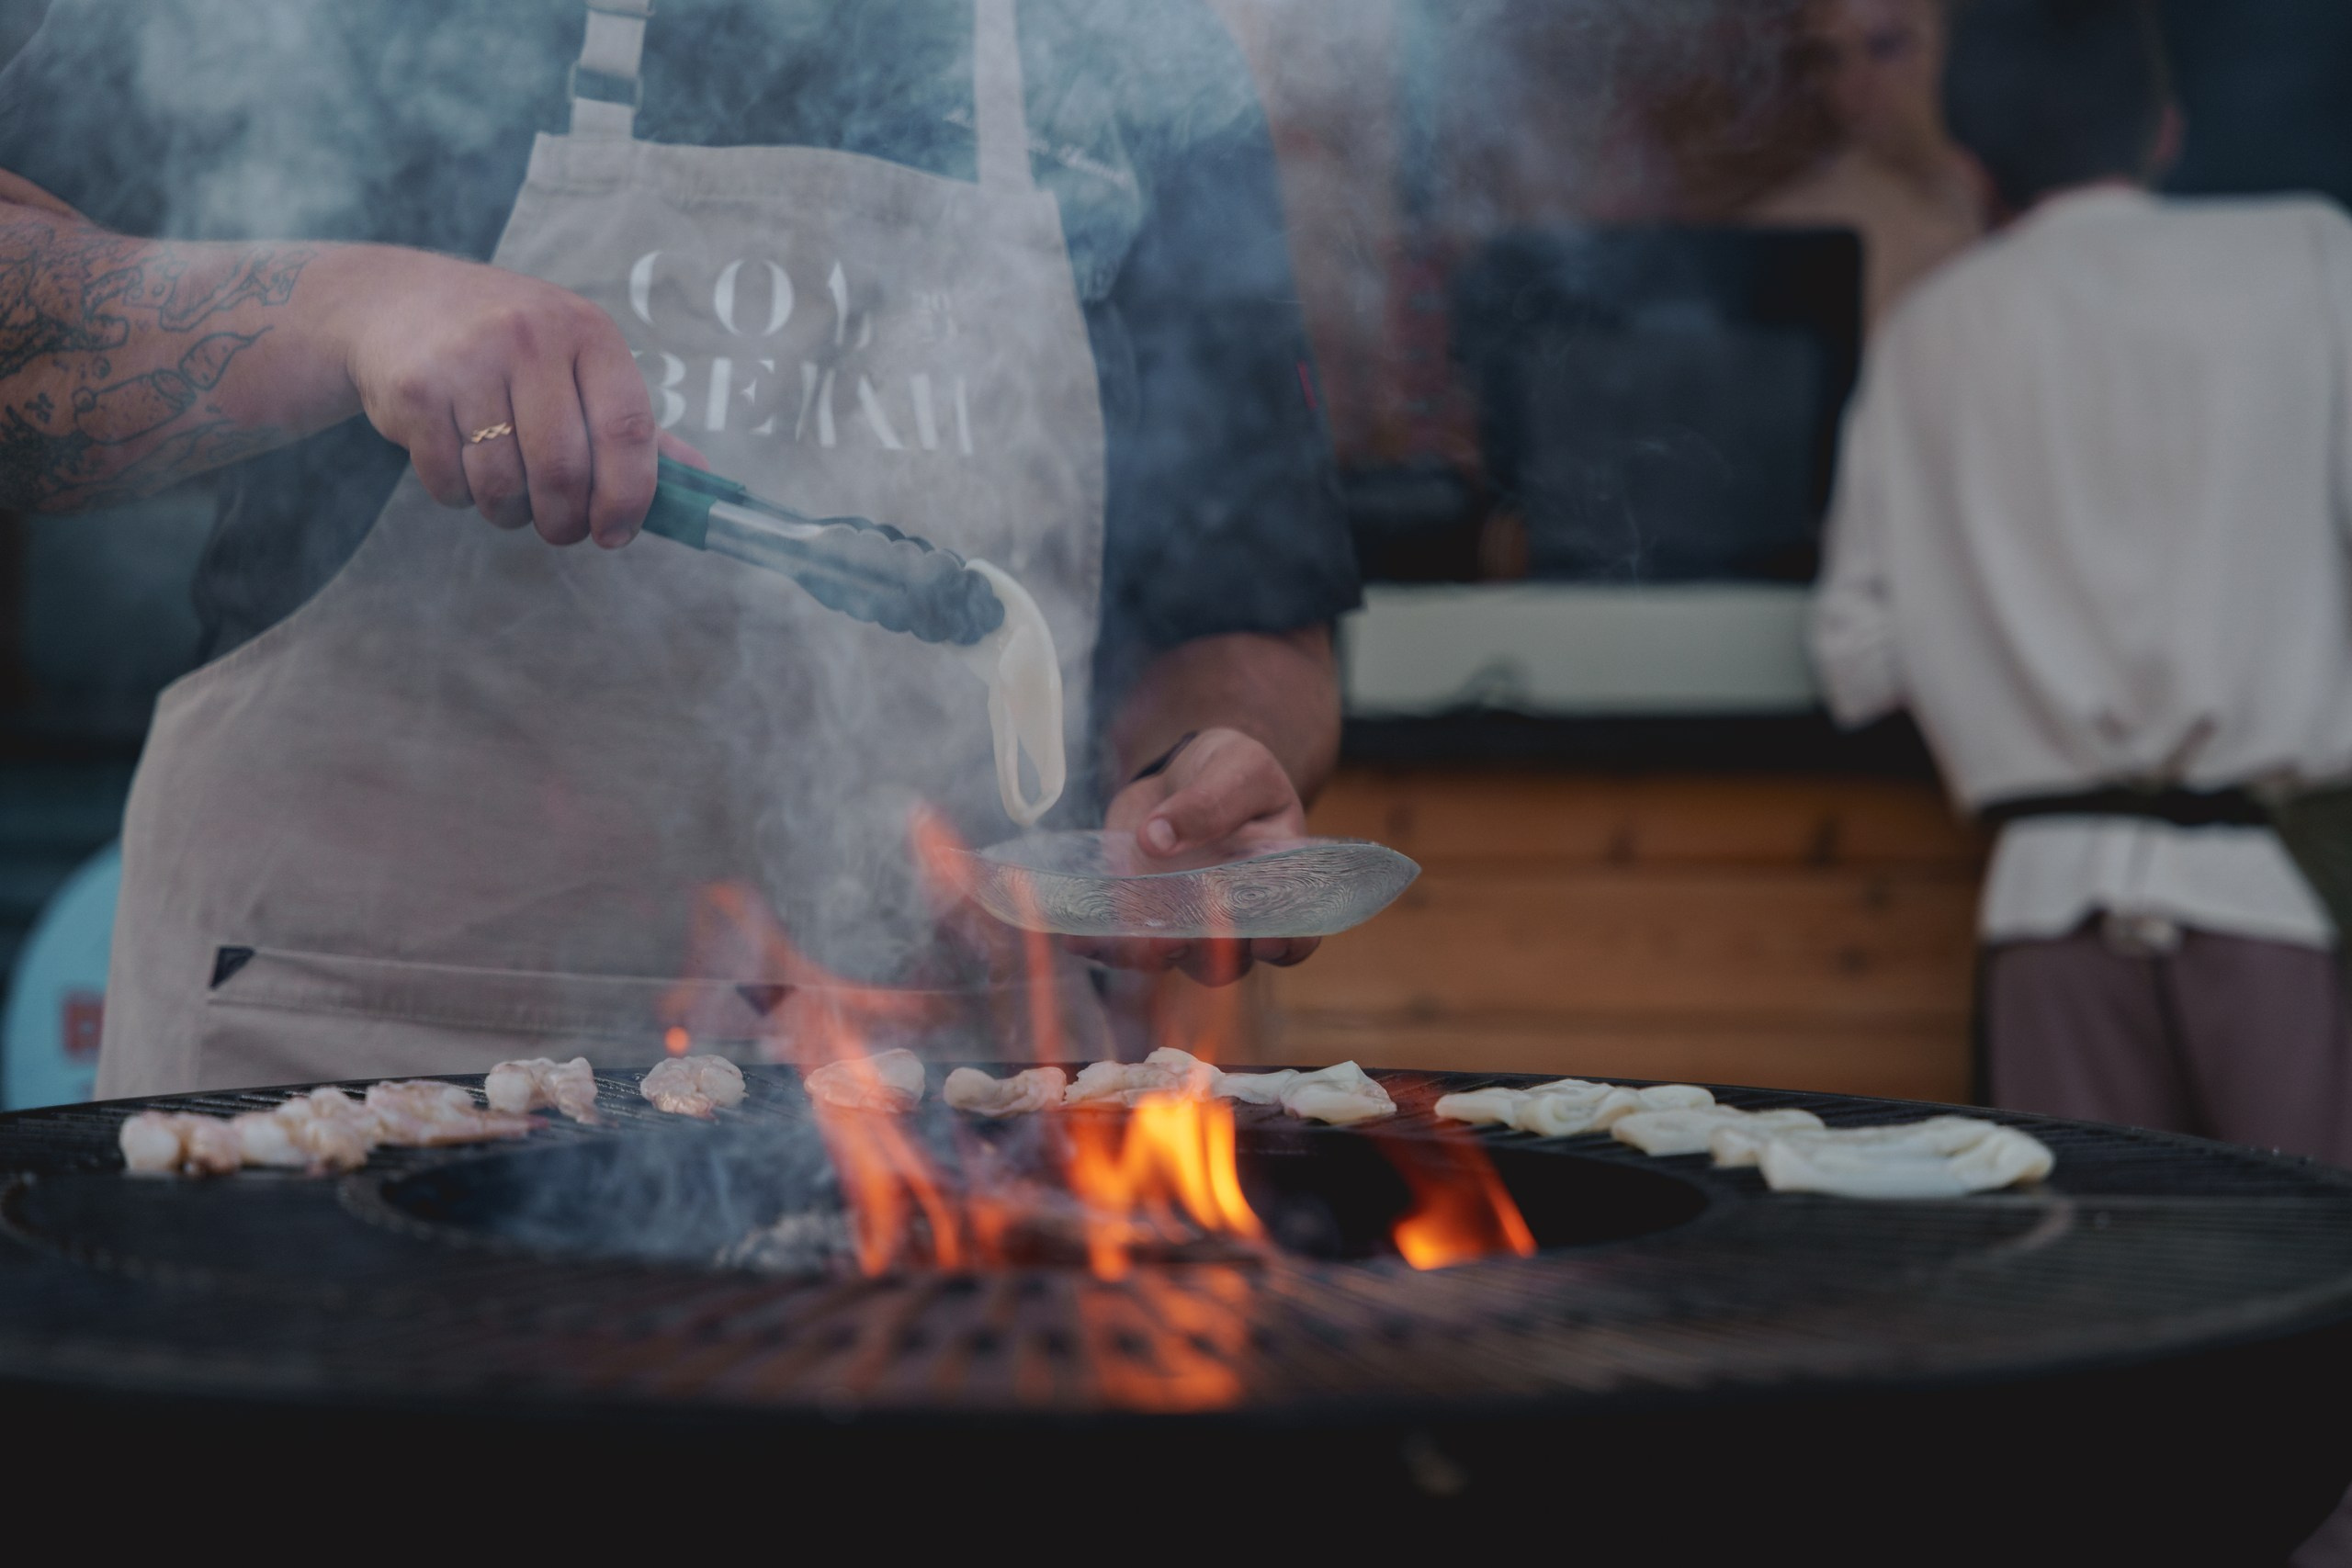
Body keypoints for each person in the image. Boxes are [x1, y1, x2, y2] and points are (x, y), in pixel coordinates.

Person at [0, 0, 1360, 1096]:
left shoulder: (1135, 49)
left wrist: (1199, 784)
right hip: (358, 1074)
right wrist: (347, 307)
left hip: (925, 1120)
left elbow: (1249, 618)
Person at [1815, 0, 2352, 1145]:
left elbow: (1852, 655)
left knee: (2086, 1295)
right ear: (2164, 129)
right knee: (2318, 1294)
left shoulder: (1926, 330)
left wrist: (2004, 655)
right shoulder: (2309, 256)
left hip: (2045, 913)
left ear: (1969, 164)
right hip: (2276, 901)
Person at [1747, 0, 1986, 327]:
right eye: (1830, 58)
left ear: (1965, 42)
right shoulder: (1799, 234)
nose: (1851, 87)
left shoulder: (2042, 186)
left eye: (1885, 46)